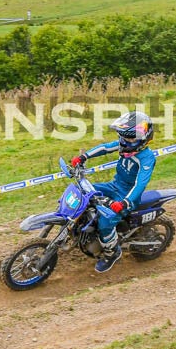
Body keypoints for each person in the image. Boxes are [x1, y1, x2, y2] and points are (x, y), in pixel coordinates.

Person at [68, 111, 155, 273]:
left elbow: (140, 184)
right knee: (84, 191)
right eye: (123, 136)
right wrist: (83, 157)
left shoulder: (147, 158)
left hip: (127, 197)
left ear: (143, 138)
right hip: (114, 186)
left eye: (130, 138)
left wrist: (124, 203)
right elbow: (105, 148)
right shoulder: (124, 144)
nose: (125, 140)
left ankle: (112, 252)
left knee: (105, 223)